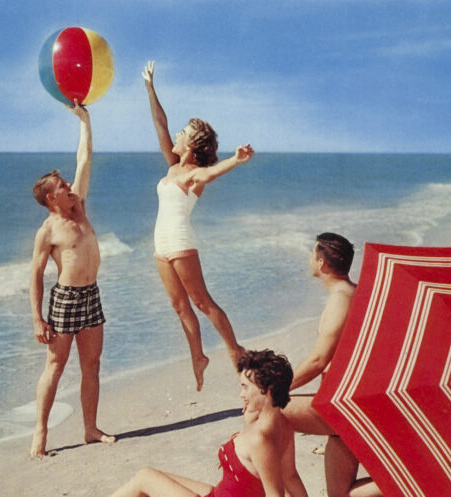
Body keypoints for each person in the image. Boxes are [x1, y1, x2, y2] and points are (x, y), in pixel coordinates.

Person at [142, 60, 254, 391]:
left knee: (202, 302)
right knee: (180, 307)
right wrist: (150, 88)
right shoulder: (173, 165)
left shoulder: (193, 175)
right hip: (161, 248)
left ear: (191, 145)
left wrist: (236, 159)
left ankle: (235, 351)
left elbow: (210, 172)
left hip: (179, 243)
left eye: (184, 133)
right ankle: (198, 357)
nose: (177, 134)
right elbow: (160, 125)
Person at [29, 101, 115, 458]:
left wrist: (85, 121)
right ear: (51, 198)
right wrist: (37, 318)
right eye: (62, 186)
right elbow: (35, 275)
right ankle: (40, 434)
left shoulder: (79, 207)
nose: (69, 186)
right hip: (64, 300)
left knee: (91, 365)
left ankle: (90, 429)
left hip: (91, 296)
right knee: (55, 365)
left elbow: (85, 159)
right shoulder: (48, 230)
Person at [109, 349, 308, 497]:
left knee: (145, 477)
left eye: (246, 387)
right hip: (219, 494)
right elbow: (290, 476)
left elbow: (276, 494)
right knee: (154, 480)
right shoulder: (282, 424)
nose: (241, 394)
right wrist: (248, 422)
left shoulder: (259, 440)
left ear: (268, 390)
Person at [282, 233, 381, 497]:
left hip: (344, 404)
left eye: (312, 254)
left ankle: (411, 485)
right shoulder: (356, 291)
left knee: (270, 410)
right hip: (348, 397)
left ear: (322, 263)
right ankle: (404, 484)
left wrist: (277, 388)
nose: (309, 259)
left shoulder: (340, 297)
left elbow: (318, 359)